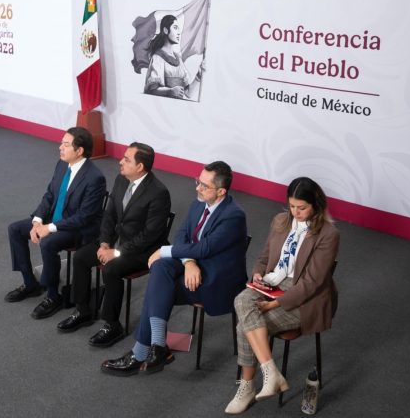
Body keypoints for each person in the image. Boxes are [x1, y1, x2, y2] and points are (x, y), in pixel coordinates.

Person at [101, 161, 247, 376]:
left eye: (204, 185)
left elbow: (205, 248)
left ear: (221, 191)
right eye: (198, 181)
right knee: (160, 270)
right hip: (195, 267)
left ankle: (142, 352)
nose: (198, 188)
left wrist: (164, 251)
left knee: (158, 286)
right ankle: (157, 347)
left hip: (216, 280)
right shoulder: (199, 204)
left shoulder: (234, 216)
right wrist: (189, 263)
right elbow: (181, 235)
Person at [224, 177, 339, 414]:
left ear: (316, 204)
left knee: (246, 324)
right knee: (241, 300)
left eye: (302, 207)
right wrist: (258, 273)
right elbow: (264, 257)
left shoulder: (328, 234)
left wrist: (274, 304)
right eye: (292, 206)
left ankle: (247, 386)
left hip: (306, 298)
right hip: (273, 283)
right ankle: (271, 372)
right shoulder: (280, 220)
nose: (295, 212)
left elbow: (312, 284)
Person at [57, 143, 171, 347]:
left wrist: (116, 252)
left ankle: (112, 324)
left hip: (143, 250)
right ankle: (82, 310)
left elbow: (149, 235)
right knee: (81, 257)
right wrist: (104, 242)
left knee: (111, 268)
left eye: (127, 159)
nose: (120, 162)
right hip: (116, 241)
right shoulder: (121, 179)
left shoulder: (158, 193)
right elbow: (109, 215)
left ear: (140, 167)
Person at [5, 127, 106, 320]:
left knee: (48, 242)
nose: (60, 147)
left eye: (66, 145)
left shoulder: (95, 178)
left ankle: (53, 296)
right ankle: (30, 284)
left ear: (79, 150)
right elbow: (49, 196)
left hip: (77, 229)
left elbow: (84, 217)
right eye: (61, 143)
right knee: (15, 229)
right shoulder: (62, 165)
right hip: (54, 220)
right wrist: (37, 221)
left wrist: (49, 228)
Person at [144, 14, 202, 100]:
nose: (178, 32)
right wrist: (170, 91)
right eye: (175, 28)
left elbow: (188, 93)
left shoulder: (178, 58)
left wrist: (199, 75)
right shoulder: (158, 57)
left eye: (178, 29)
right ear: (166, 30)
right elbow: (152, 90)